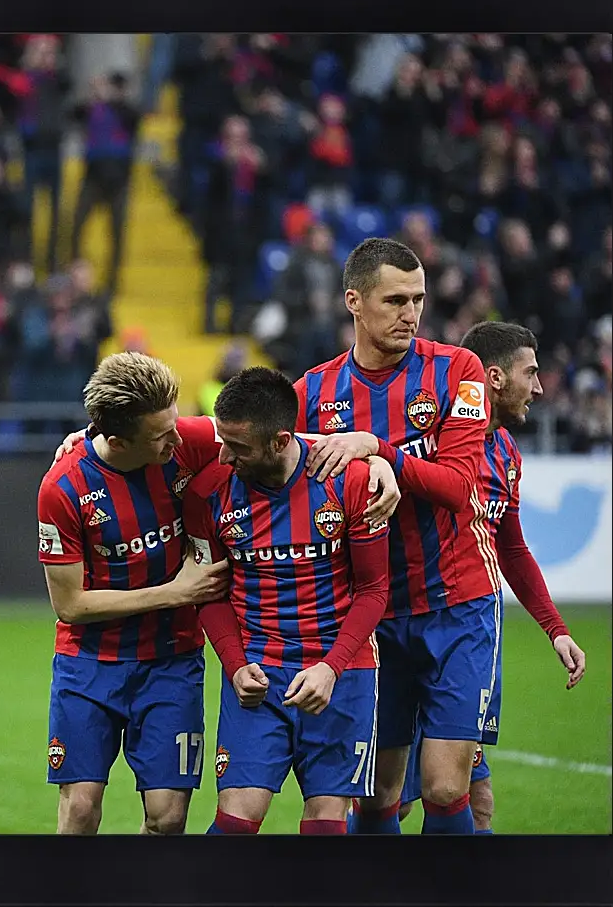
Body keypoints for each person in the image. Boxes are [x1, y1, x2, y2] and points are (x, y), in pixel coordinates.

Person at [293, 237, 498, 834]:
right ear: (354, 301)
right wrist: (95, 440)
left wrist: (377, 448)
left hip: (457, 606)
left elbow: (461, 486)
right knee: (379, 795)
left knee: (441, 785)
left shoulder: (456, 370)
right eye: (395, 301)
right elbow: (247, 440)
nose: (411, 314)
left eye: (419, 300)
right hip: (374, 617)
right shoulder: (314, 393)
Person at [388, 321, 587, 833]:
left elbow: (513, 549)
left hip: (466, 632)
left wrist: (555, 628)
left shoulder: (506, 455)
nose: (539, 387)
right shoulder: (427, 438)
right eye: (532, 372)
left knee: (470, 796)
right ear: (493, 377)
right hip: (395, 625)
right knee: (388, 802)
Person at [183, 368, 396, 835]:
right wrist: (236, 665)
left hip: (341, 673)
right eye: (222, 440)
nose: (223, 455)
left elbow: (375, 589)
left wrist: (331, 667)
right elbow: (210, 593)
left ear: (281, 441)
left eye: (237, 447)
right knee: (236, 823)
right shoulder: (207, 493)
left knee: (325, 824)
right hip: (258, 673)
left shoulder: (349, 481)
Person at [36, 352, 232, 835]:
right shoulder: (62, 488)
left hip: (172, 661)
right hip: (89, 664)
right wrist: (176, 592)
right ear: (118, 440)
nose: (178, 437)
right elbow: (70, 605)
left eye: (174, 421)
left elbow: (273, 427)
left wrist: (366, 452)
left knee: (168, 818)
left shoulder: (186, 440)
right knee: (80, 809)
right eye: (161, 434)